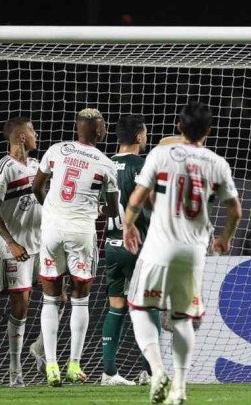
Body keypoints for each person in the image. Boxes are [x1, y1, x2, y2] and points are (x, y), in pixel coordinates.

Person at [123, 102, 242, 405]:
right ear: (209, 131)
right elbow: (235, 211)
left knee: (138, 307)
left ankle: (157, 370)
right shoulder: (217, 163)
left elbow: (138, 197)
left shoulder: (161, 154)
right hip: (193, 252)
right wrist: (225, 238)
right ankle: (179, 387)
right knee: (181, 318)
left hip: (159, 247)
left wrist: (128, 225)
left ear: (179, 127)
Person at [32, 108, 120, 386]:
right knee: (80, 298)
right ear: (96, 129)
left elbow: (37, 186)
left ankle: (51, 367)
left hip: (51, 230)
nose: (105, 128)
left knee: (50, 298)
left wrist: (52, 210)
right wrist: (98, 206)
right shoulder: (105, 163)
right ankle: (74, 364)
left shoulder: (56, 150)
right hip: (81, 232)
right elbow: (114, 208)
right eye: (103, 124)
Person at [99, 114, 161, 386]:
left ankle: (109, 373)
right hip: (141, 246)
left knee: (116, 306)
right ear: (138, 137)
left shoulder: (102, 165)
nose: (146, 138)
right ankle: (150, 371)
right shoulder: (144, 165)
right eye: (145, 134)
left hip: (111, 244)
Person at [0, 117, 42, 387]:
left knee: (65, 294)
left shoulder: (37, 165)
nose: (36, 134)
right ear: (21, 137)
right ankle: (15, 370)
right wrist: (11, 243)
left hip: (42, 244)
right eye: (32, 130)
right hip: (17, 249)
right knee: (21, 307)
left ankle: (41, 349)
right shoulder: (3, 169)